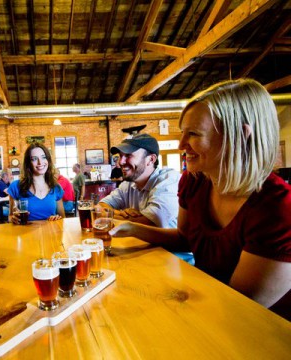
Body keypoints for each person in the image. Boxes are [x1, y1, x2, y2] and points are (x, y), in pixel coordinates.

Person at [110, 79, 291, 320]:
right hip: (209, 308)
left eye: (193, 133)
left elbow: (239, 309)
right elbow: (185, 239)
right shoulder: (195, 181)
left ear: (240, 135)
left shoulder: (277, 207)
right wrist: (132, 229)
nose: (181, 144)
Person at [99, 133, 180, 228]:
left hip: (166, 243)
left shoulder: (168, 180)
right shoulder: (128, 185)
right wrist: (120, 213)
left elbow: (151, 222)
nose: (120, 162)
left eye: (128, 155)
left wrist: (109, 215)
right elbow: (101, 206)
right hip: (136, 242)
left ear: (151, 159)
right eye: (120, 156)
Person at [7, 143, 65, 223]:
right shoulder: (16, 186)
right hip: (26, 234)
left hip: (51, 234)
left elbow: (62, 218)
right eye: (34, 159)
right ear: (28, 163)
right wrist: (13, 218)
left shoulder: (56, 187)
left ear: (48, 160)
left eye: (44, 157)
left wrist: (57, 218)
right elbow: (10, 217)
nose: (40, 162)